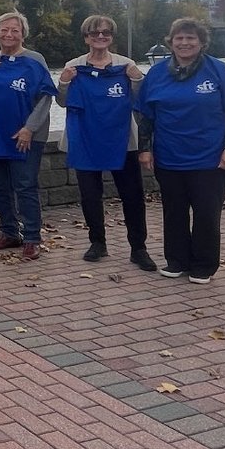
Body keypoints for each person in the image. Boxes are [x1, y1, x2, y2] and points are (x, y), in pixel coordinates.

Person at [136, 18, 225, 283]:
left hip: (210, 159)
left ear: (202, 42)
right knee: (174, 211)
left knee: (207, 214)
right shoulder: (157, 74)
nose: (184, 43)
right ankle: (177, 261)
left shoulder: (219, 71)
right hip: (169, 157)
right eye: (179, 38)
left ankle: (203, 266)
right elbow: (146, 116)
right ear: (170, 42)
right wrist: (144, 149)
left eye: (190, 38)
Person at [56, 15, 156, 271]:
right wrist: (64, 81)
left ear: (111, 37)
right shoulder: (74, 66)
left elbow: (142, 99)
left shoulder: (126, 64)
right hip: (86, 139)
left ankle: (138, 248)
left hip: (123, 140)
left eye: (105, 33)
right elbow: (62, 102)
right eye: (94, 33)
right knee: (90, 195)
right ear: (86, 37)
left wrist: (136, 79)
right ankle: (97, 242)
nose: (100, 37)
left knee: (132, 195)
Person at [0, 11, 56, 260]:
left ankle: (32, 237)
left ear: (23, 34)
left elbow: (45, 97)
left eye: (15, 30)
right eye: (4, 29)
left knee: (25, 186)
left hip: (26, 136)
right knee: (0, 188)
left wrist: (29, 128)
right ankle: (9, 232)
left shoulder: (34, 60)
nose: (9, 34)